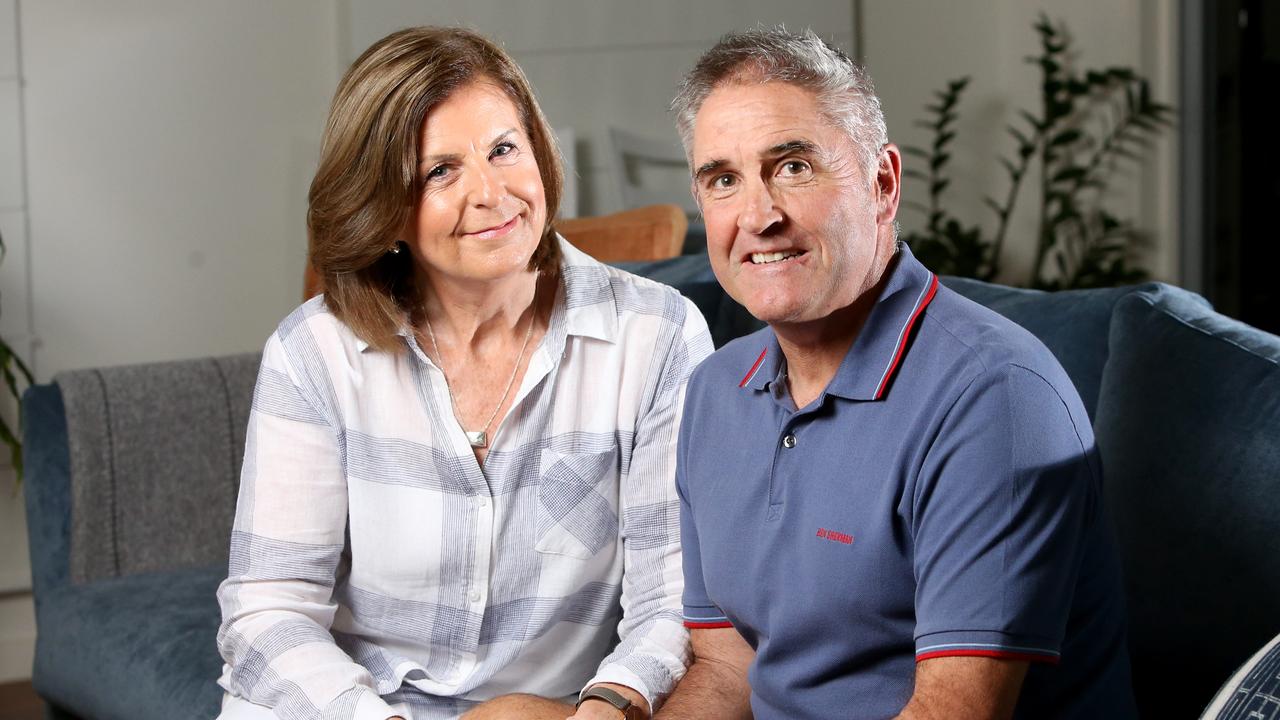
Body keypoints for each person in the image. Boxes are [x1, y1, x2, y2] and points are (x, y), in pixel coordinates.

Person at [216, 27, 712, 720]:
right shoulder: (312, 354)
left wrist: (609, 707)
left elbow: (673, 598)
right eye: (440, 171)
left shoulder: (659, 336)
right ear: (383, 208)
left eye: (504, 149)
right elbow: (268, 612)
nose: (491, 192)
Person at [655, 28, 1137, 719]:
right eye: (724, 180)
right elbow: (730, 665)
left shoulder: (995, 397)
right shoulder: (714, 391)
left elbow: (953, 713)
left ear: (883, 183)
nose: (758, 217)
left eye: (793, 166)